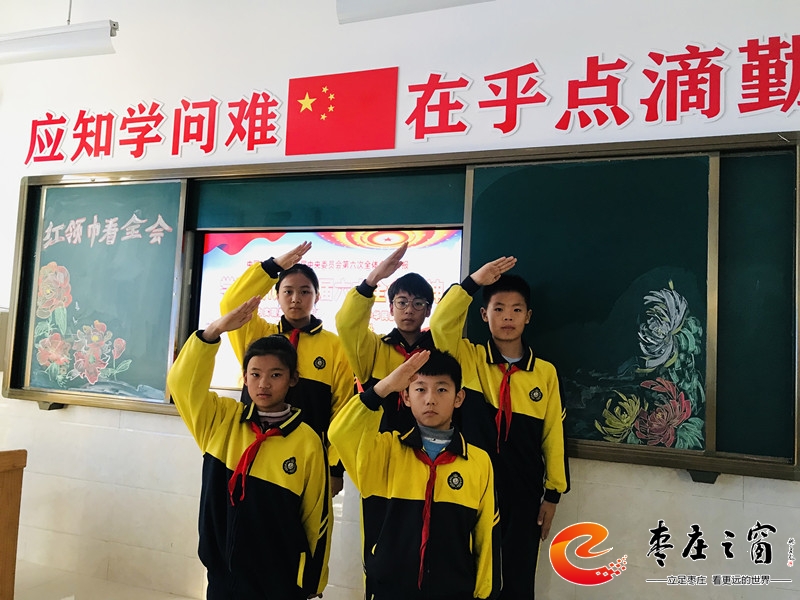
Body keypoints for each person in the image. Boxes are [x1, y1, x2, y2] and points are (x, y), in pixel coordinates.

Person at [167, 296, 331, 600]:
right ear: (245, 378)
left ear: (293, 379)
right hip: (222, 577)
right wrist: (214, 331)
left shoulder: (306, 440)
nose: (263, 384)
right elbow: (181, 384)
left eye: (275, 375)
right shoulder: (222, 421)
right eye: (255, 374)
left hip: (279, 583)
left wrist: (311, 582)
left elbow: (317, 519)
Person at [430, 258, 569, 600]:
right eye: (498, 309)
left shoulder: (545, 373)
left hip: (523, 493)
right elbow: (441, 322)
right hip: (470, 487)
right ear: (483, 314)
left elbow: (553, 436)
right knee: (465, 572)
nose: (508, 317)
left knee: (516, 578)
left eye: (516, 310)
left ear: (528, 316)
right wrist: (473, 282)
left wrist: (552, 494)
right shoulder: (468, 358)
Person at [329, 349, 501, 600]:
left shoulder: (477, 461)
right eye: (420, 389)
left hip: (454, 592)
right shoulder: (384, 452)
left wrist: (484, 596)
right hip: (388, 590)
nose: (430, 399)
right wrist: (384, 388)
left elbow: (487, 536)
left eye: (441, 389)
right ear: (406, 397)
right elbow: (340, 434)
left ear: (458, 398)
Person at [220, 241, 352, 496]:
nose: (295, 299)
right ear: (276, 295)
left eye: (305, 291)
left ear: (317, 296)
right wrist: (272, 267)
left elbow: (342, 410)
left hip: (308, 455)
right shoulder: (259, 335)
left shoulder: (335, 346)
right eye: (288, 291)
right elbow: (231, 304)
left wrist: (335, 466)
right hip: (254, 447)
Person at [335, 241, 436, 432]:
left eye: (418, 304)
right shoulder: (375, 348)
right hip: (379, 442)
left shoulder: (437, 350)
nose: (409, 310)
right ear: (391, 308)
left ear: (428, 310)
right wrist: (373, 280)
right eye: (402, 302)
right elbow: (347, 324)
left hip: (427, 443)